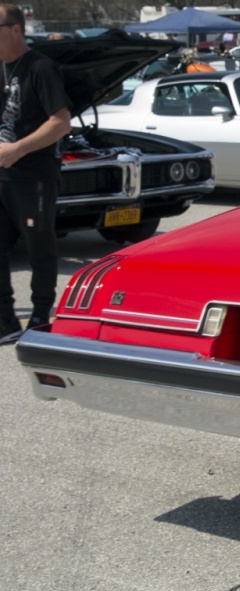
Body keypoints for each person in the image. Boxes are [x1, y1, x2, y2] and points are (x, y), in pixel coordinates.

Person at [0, 3, 72, 345]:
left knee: (38, 248)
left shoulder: (40, 68)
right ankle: (5, 321)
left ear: (16, 28)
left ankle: (42, 317)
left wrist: (18, 149)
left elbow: (60, 122)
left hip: (33, 174)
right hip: (2, 175)